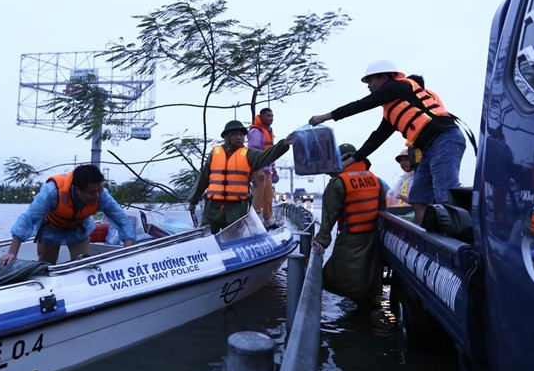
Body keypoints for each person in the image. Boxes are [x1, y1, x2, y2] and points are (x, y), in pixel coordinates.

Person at [309, 59, 465, 224]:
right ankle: (425, 236)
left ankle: (454, 240)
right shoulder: (391, 110)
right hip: (428, 149)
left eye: (371, 80)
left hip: (445, 140)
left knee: (443, 195)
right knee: (418, 197)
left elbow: (362, 105)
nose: (368, 86)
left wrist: (325, 117)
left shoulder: (398, 87)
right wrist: (350, 161)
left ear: (384, 78)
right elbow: (376, 139)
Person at [0, 164, 135, 267]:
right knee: (45, 266)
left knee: (83, 265)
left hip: (79, 230)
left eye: (98, 190)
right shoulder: (52, 193)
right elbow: (28, 220)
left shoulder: (101, 195)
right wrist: (12, 253)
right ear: (77, 190)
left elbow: (122, 220)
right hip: (50, 230)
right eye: (91, 193)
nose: (97, 196)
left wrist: (129, 250)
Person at [312, 143, 386, 307]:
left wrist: (322, 240)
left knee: (337, 274)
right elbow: (382, 209)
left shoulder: (339, 182)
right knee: (367, 276)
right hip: (372, 237)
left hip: (352, 237)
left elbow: (329, 215)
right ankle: (369, 306)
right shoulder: (375, 179)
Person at [188, 120, 294, 234]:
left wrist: (283, 144)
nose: (239, 137)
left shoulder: (249, 154)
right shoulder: (215, 153)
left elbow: (266, 155)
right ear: (226, 137)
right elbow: (203, 178)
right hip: (213, 208)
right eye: (234, 134)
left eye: (241, 135)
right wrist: (193, 201)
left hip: (236, 210)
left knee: (232, 242)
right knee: (205, 237)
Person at [248, 107, 279, 227]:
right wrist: (258, 168)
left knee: (268, 196)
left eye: (272, 116)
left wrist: (273, 166)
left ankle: (268, 220)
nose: (271, 118)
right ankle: (253, 223)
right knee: (258, 196)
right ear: (261, 117)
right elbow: (254, 151)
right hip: (259, 170)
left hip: (268, 169)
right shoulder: (256, 131)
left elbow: (270, 151)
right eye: (268, 116)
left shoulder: (269, 131)